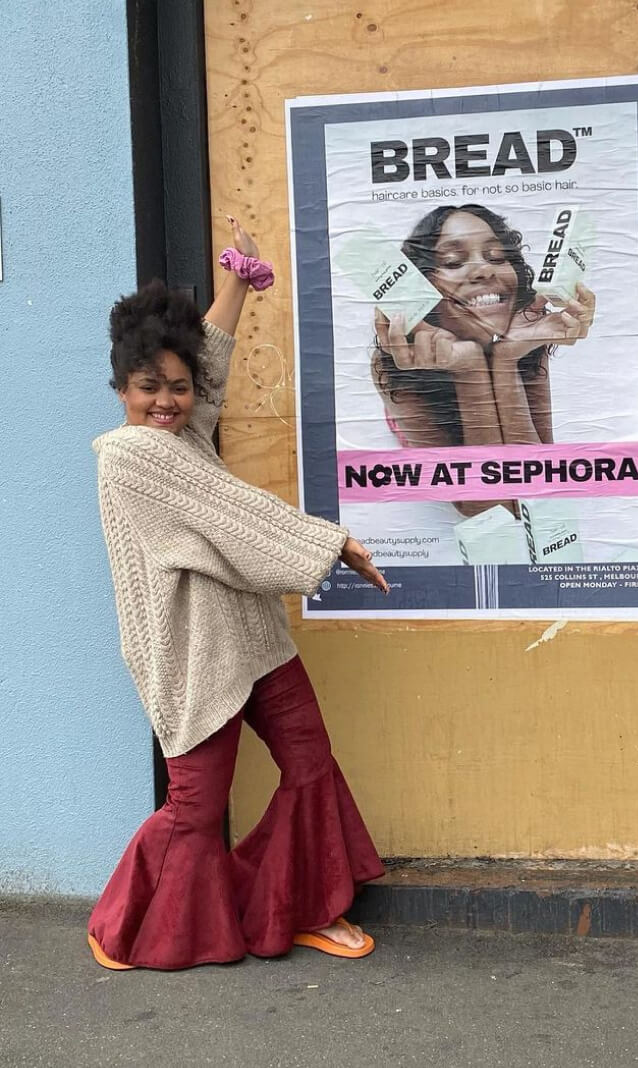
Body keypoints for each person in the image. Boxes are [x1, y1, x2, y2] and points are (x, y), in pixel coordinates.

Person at [87, 217, 390, 971]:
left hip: (252, 637)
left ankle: (309, 909)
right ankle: (123, 926)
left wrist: (237, 282)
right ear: (121, 388)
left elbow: (209, 361)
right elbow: (231, 511)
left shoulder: (183, 428)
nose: (166, 401)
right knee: (195, 807)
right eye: (148, 387)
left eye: (177, 388)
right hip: (192, 655)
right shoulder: (128, 454)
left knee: (311, 765)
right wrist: (333, 542)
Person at [371, 204, 596, 516]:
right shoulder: (394, 362)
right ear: (420, 285)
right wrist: (470, 368)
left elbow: (538, 490)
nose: (484, 270)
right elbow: (488, 510)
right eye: (452, 261)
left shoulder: (524, 325)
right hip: (434, 422)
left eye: (497, 257)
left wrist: (505, 359)